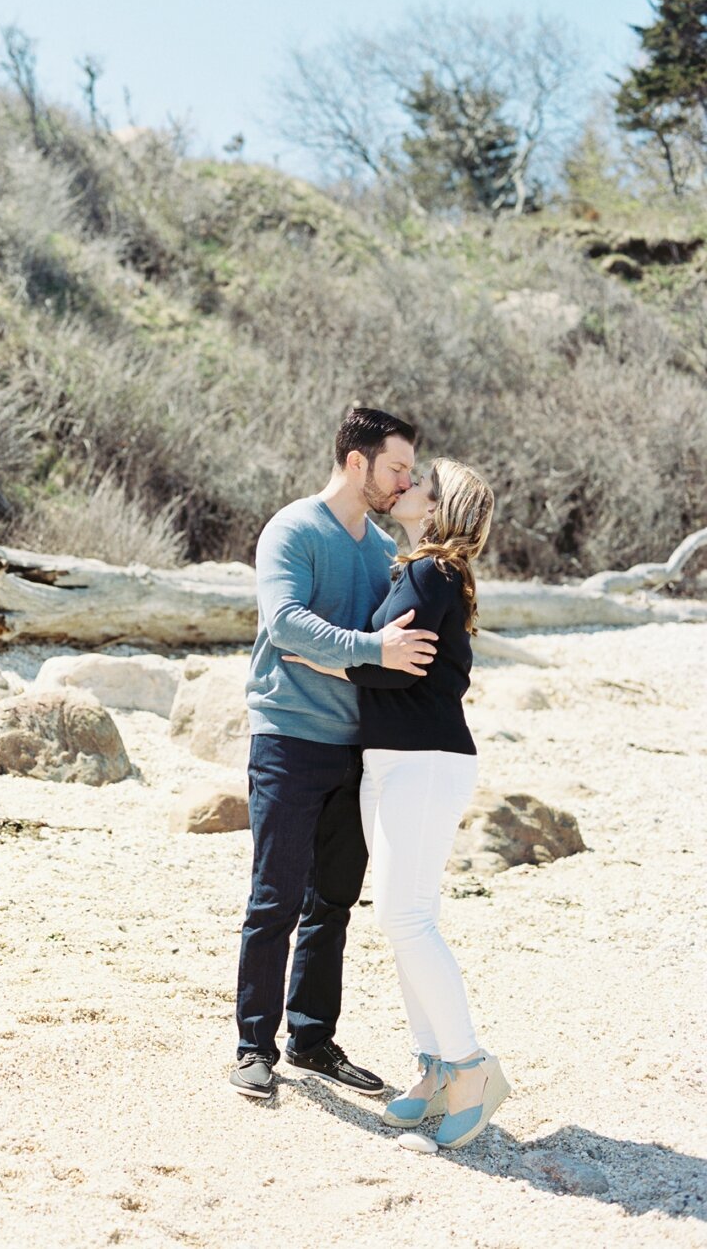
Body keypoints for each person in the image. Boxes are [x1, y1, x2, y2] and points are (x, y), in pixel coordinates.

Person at [281, 458, 511, 1148]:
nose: (404, 486)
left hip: (423, 763)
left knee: (409, 920)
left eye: (420, 483)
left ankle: (471, 1067)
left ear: (440, 508)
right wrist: (359, 655)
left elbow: (381, 663)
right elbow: (387, 659)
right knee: (405, 918)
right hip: (401, 762)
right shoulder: (426, 573)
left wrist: (308, 653)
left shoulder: (428, 573)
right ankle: (435, 1066)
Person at [230, 407, 439, 1101]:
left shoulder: (382, 549)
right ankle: (252, 1048)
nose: (405, 480)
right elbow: (285, 622)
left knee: (333, 902)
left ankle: (312, 1040)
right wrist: (371, 650)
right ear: (357, 463)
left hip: (356, 750)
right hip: (287, 739)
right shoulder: (293, 529)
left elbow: (409, 634)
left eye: (409, 470)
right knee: (274, 900)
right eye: (397, 468)